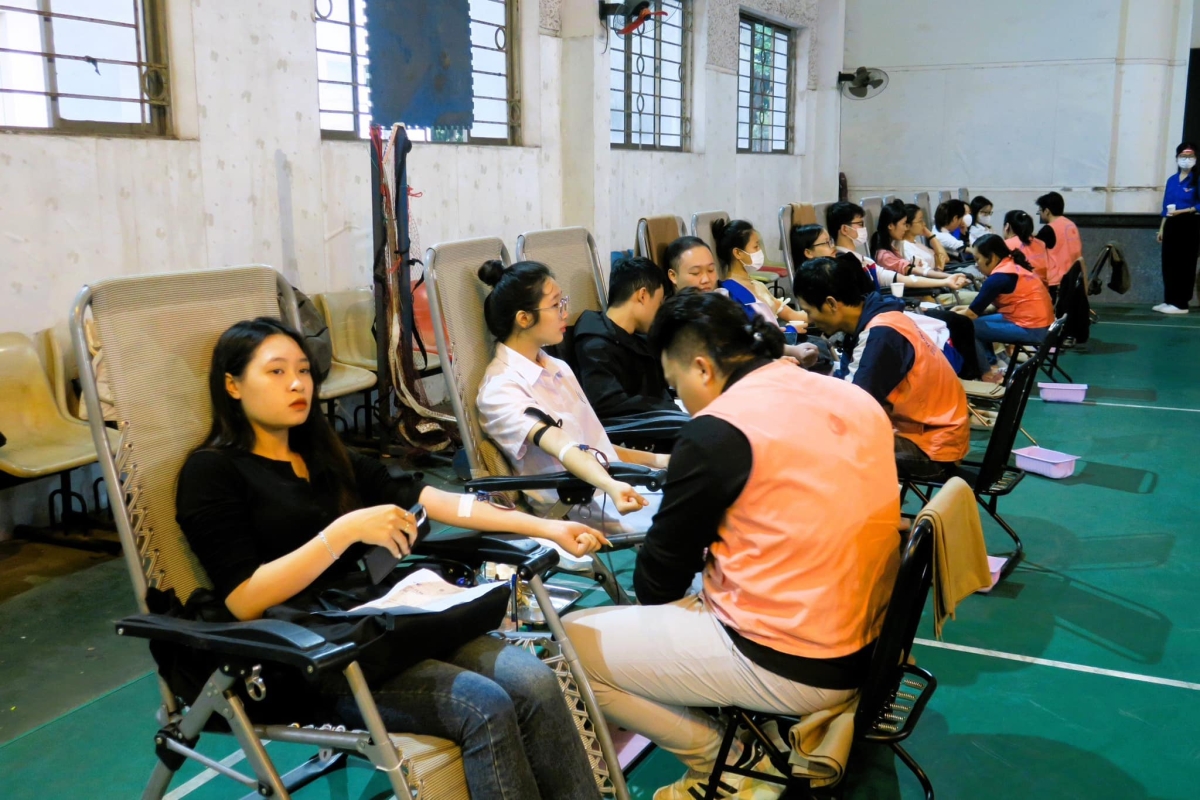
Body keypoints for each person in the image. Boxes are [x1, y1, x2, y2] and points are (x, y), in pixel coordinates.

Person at [174, 318, 604, 800]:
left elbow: (436, 501)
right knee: (482, 704)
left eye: (303, 370)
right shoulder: (211, 472)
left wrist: (548, 528)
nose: (297, 384)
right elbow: (242, 599)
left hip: (373, 625)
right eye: (276, 372)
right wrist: (341, 534)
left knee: (534, 680)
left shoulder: (325, 456)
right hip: (304, 655)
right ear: (232, 385)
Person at [563, 290, 900, 800]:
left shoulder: (719, 432)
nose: (681, 401)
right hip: (874, 639)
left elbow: (657, 583)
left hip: (797, 658)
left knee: (569, 645)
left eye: (676, 385)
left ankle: (726, 764)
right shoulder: (850, 396)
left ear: (701, 368)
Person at [475, 259, 665, 540]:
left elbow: (597, 446)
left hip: (615, 483)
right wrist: (610, 485)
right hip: (583, 503)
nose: (565, 312)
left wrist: (663, 461)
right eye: (556, 305)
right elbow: (563, 446)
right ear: (524, 318)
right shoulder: (500, 389)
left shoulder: (556, 366)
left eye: (563, 301)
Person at [793, 257, 970, 480]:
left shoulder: (881, 335)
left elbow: (850, 407)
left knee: (821, 446)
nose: (809, 320)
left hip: (931, 448)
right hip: (930, 433)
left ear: (831, 304)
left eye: (809, 311)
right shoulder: (880, 316)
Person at [667, 234, 823, 368]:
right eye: (695, 273)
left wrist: (791, 350)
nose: (706, 279)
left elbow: (750, 337)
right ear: (673, 276)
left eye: (711, 270)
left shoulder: (729, 293)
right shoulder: (676, 318)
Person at [573, 257, 679, 421]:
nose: (660, 312)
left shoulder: (638, 338)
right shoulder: (595, 344)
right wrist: (670, 410)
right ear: (643, 295)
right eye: (659, 303)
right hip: (630, 431)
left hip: (659, 420)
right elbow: (608, 404)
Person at [953, 234, 1055, 366]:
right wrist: (961, 310)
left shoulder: (998, 278)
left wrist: (948, 314)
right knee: (978, 322)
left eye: (977, 259)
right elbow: (975, 310)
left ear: (992, 257)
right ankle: (995, 362)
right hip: (1042, 325)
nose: (976, 265)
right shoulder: (1011, 265)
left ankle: (989, 371)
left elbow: (971, 314)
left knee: (969, 327)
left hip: (1033, 329)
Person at [827, 201, 970, 294]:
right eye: (860, 224)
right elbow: (905, 278)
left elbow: (900, 277)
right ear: (845, 229)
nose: (864, 228)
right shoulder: (845, 262)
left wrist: (946, 280)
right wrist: (945, 280)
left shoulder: (863, 259)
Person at [710, 218, 810, 328]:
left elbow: (793, 315)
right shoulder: (730, 292)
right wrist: (789, 331)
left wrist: (821, 312)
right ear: (738, 253)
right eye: (756, 246)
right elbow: (750, 335)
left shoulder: (757, 285)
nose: (760, 251)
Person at [1155, 141, 1200, 314]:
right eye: (1183, 156)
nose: (1186, 159)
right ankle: (1169, 300)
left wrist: (1185, 210)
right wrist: (1162, 228)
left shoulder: (1196, 180)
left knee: (1184, 263)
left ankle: (1181, 303)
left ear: (1195, 158)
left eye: (1190, 156)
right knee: (1169, 262)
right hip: (1171, 223)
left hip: (1189, 223)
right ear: (1177, 158)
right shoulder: (1172, 180)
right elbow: (1166, 206)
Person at [1036, 191, 1084, 300]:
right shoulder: (1071, 225)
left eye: (1040, 211)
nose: (1040, 214)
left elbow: (1033, 250)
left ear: (1047, 211)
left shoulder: (1049, 229)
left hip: (1056, 284)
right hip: (1074, 279)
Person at [1003, 210, 1050, 286]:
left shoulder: (1005, 245)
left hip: (1019, 291)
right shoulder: (1041, 244)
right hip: (1042, 290)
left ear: (1007, 226)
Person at [901, 203, 950, 273]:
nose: (924, 224)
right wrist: (939, 268)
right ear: (907, 226)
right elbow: (923, 274)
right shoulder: (906, 247)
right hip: (937, 277)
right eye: (920, 221)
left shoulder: (916, 243)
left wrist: (930, 235)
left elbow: (945, 258)